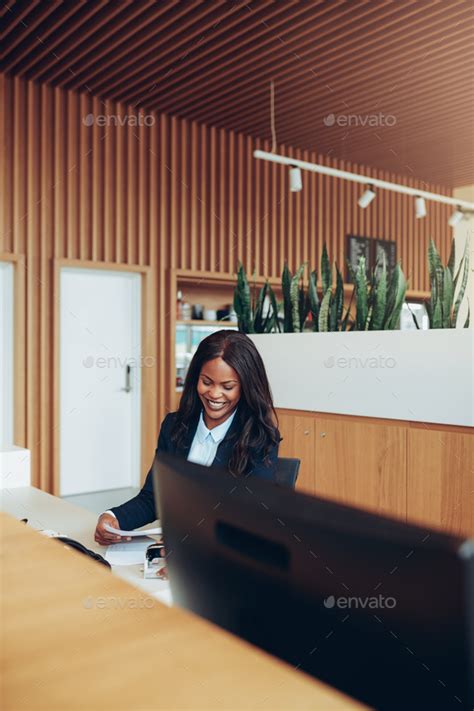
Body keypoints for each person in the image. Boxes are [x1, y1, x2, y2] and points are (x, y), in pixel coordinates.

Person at [94, 329, 281, 546]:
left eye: (227, 386)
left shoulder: (260, 438)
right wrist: (113, 519)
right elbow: (153, 497)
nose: (214, 394)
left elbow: (256, 519)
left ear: (245, 387)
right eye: (207, 382)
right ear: (195, 378)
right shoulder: (174, 427)